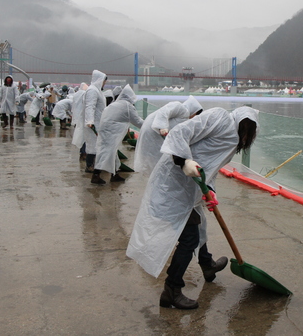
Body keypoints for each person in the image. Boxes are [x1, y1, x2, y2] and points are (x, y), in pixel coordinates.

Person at [127, 106, 259, 309]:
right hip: (173, 184)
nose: (246, 136)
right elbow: (180, 132)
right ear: (239, 121)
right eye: (245, 129)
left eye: (250, 132)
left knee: (198, 227)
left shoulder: (233, 142)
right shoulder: (220, 117)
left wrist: (211, 190)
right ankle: (172, 290)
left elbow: (212, 166)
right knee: (190, 239)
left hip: (192, 189)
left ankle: (207, 265)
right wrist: (183, 161)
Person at [133, 96, 203, 176]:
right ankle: (156, 176)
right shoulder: (180, 108)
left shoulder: (184, 117)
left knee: (154, 159)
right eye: (196, 114)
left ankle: (155, 176)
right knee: (157, 159)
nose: (194, 117)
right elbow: (164, 112)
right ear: (194, 110)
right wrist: (162, 127)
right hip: (154, 131)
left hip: (154, 132)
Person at [93, 85, 144, 185]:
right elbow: (138, 122)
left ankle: (115, 175)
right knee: (107, 152)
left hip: (105, 130)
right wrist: (151, 125)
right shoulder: (127, 106)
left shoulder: (115, 104)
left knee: (111, 152)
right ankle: (95, 175)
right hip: (111, 132)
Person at [84, 70, 108, 173]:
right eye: (104, 81)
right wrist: (90, 121)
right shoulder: (92, 90)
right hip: (93, 123)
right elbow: (90, 106)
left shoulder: (97, 91)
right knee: (92, 145)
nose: (104, 83)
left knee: (96, 145)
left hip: (99, 122)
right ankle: (89, 166)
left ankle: (95, 165)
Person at [71, 83, 89, 162]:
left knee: (80, 135)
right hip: (82, 117)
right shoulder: (84, 94)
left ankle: (82, 153)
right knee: (84, 136)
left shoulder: (76, 94)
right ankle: (84, 153)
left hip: (76, 117)